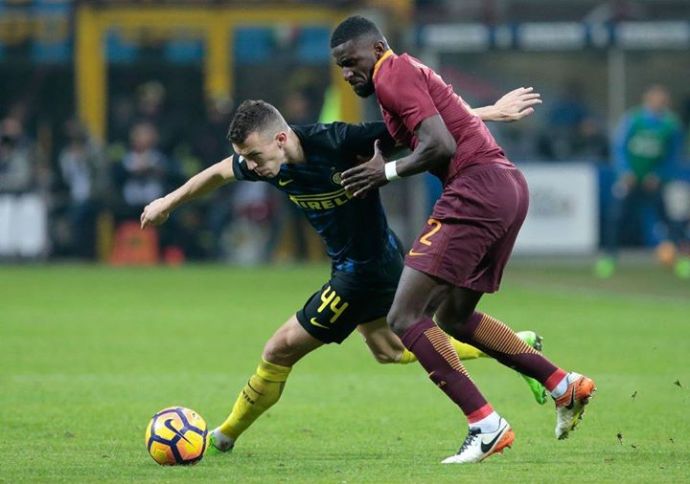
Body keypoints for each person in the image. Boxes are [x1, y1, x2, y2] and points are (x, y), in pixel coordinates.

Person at [140, 96, 546, 457]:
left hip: (361, 273)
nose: (249, 166)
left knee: (279, 349)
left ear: (280, 139)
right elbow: (215, 173)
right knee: (389, 350)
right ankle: (512, 346)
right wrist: (167, 202)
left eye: (254, 156)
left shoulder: (341, 142)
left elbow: (427, 127)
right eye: (244, 158)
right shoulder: (265, 163)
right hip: (371, 261)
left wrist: (490, 111)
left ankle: (224, 436)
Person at [331, 16, 595, 464]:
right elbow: (444, 123)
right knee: (454, 316)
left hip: (475, 188)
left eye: (351, 61)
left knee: (404, 315)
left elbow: (441, 145)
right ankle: (563, 385)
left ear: (376, 49)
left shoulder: (392, 73)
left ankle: (485, 425)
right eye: (340, 66)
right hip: (504, 186)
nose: (346, 72)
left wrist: (385, 173)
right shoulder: (405, 73)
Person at [596, 84, 685, 278]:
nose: (658, 103)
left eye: (662, 100)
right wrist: (625, 172)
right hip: (630, 181)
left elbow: (673, 155)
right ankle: (609, 258)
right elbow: (620, 147)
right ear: (647, 99)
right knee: (616, 217)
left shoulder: (671, 124)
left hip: (654, 182)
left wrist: (659, 175)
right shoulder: (633, 120)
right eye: (655, 99)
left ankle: (680, 259)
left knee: (668, 218)